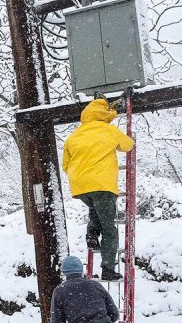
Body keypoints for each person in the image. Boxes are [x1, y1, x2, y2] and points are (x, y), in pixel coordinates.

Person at [62, 98, 134, 281]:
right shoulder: (108, 130)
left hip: (80, 186)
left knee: (95, 209)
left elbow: (65, 165)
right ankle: (108, 268)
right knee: (110, 228)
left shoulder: (74, 135)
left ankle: (92, 234)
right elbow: (128, 145)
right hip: (102, 184)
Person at [51, 255, 119, 323]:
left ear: (64, 271)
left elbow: (57, 320)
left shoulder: (59, 291)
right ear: (81, 269)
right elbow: (114, 313)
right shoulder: (96, 285)